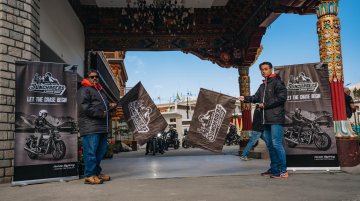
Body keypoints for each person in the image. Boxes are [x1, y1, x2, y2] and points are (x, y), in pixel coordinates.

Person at [239, 61, 288, 179]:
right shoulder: (262, 86)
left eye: (266, 69)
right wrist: (245, 98)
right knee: (270, 146)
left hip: (275, 118)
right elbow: (256, 98)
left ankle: (283, 171)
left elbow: (282, 98)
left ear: (271, 69)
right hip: (264, 120)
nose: (263, 71)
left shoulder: (277, 82)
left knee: (277, 144)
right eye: (261, 70)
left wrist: (265, 104)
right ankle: (274, 169)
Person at [77, 70, 117, 184]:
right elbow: (84, 108)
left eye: (97, 77)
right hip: (90, 127)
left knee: (100, 152)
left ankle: (97, 173)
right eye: (92, 77)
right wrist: (102, 113)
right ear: (87, 78)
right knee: (91, 152)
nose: (95, 78)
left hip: (102, 127)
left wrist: (110, 106)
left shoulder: (99, 91)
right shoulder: (84, 90)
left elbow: (101, 106)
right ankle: (89, 175)